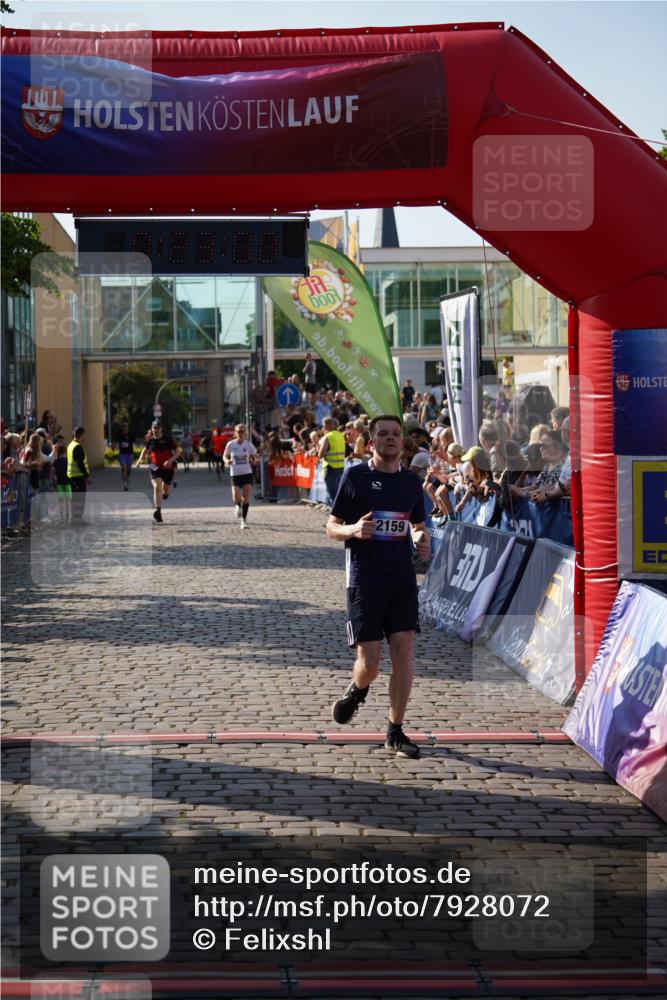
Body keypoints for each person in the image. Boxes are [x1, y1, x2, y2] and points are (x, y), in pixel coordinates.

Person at [326, 414, 431, 760]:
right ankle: (358, 688)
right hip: (365, 580)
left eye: (395, 434)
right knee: (370, 662)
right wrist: (353, 530)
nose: (390, 438)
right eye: (383, 434)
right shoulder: (355, 476)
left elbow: (417, 525)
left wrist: (421, 539)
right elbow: (331, 526)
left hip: (401, 580)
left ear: (402, 441)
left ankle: (395, 731)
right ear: (371, 442)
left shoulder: (411, 482)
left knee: (404, 653)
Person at [135, 421, 179, 523]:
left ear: (161, 428)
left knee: (165, 492)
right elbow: (144, 450)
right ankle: (158, 511)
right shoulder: (150, 441)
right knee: (156, 487)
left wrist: (170, 460)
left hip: (168, 468)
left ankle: (165, 493)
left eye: (158, 428)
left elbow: (178, 451)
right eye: (154, 428)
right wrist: (140, 460)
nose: (156, 430)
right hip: (155, 468)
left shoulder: (168, 439)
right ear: (152, 428)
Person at [223, 423, 258, 530]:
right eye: (239, 431)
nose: (241, 433)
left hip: (247, 473)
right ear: (235, 433)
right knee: (236, 497)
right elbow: (224, 455)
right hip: (235, 474)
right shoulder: (231, 444)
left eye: (243, 431)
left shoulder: (248, 445)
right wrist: (227, 461)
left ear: (245, 433)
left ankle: (244, 521)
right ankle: (238, 505)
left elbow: (255, 456)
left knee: (246, 497)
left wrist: (254, 460)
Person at [318, 416, 346, 509]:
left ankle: (335, 516)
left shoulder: (327, 437)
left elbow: (320, 454)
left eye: (323, 426)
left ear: (326, 426)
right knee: (338, 495)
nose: (323, 428)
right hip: (340, 468)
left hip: (330, 469)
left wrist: (318, 448)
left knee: (333, 496)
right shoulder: (341, 436)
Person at [66, 426, 91, 522]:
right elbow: (80, 463)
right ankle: (78, 519)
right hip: (78, 477)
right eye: (84, 435)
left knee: (75, 498)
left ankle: (75, 518)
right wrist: (87, 476)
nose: (85, 437)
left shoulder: (70, 445)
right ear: (81, 435)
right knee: (79, 498)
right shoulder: (77, 447)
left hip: (72, 476)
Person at [51, 443, 72, 522]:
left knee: (60, 500)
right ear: (65, 452)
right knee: (67, 500)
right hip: (67, 483)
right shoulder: (68, 461)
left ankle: (61, 515)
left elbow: (53, 471)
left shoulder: (56, 461)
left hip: (59, 483)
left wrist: (53, 480)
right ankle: (67, 514)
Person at [115, 422, 135, 491]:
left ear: (128, 428)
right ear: (122, 428)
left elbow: (135, 441)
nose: (125, 429)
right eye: (124, 428)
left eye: (126, 428)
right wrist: (113, 446)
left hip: (130, 454)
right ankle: (125, 484)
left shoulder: (131, 435)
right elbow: (116, 442)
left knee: (128, 470)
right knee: (124, 468)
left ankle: (127, 476)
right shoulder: (120, 435)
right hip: (122, 454)